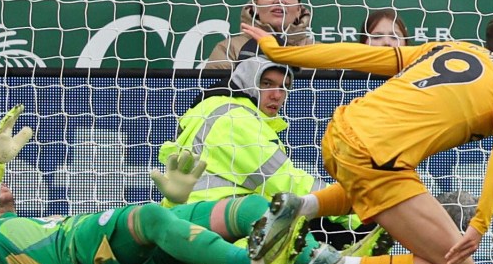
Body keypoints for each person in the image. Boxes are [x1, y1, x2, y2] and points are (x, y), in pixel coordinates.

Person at [239, 14, 493, 264]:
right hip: (376, 158)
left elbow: (358, 55)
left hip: (341, 132)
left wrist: (279, 51)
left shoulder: (453, 48)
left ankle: (302, 205)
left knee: (384, 187)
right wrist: (480, 223)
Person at [0, 105, 308, 264]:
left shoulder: (22, 224)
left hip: (127, 260)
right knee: (149, 216)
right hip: (86, 253)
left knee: (248, 207)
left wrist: (177, 202)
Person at [161, 56, 389, 253]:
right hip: (219, 229)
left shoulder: (215, 109)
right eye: (267, 84)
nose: (277, 95)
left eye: (284, 87)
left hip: (198, 222)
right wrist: (359, 210)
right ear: (246, 81)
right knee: (338, 220)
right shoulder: (235, 118)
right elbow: (287, 184)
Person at [204, 0, 314, 71]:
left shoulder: (315, 50)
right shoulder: (229, 49)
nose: (279, 1)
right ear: (255, 6)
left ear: (299, 10)